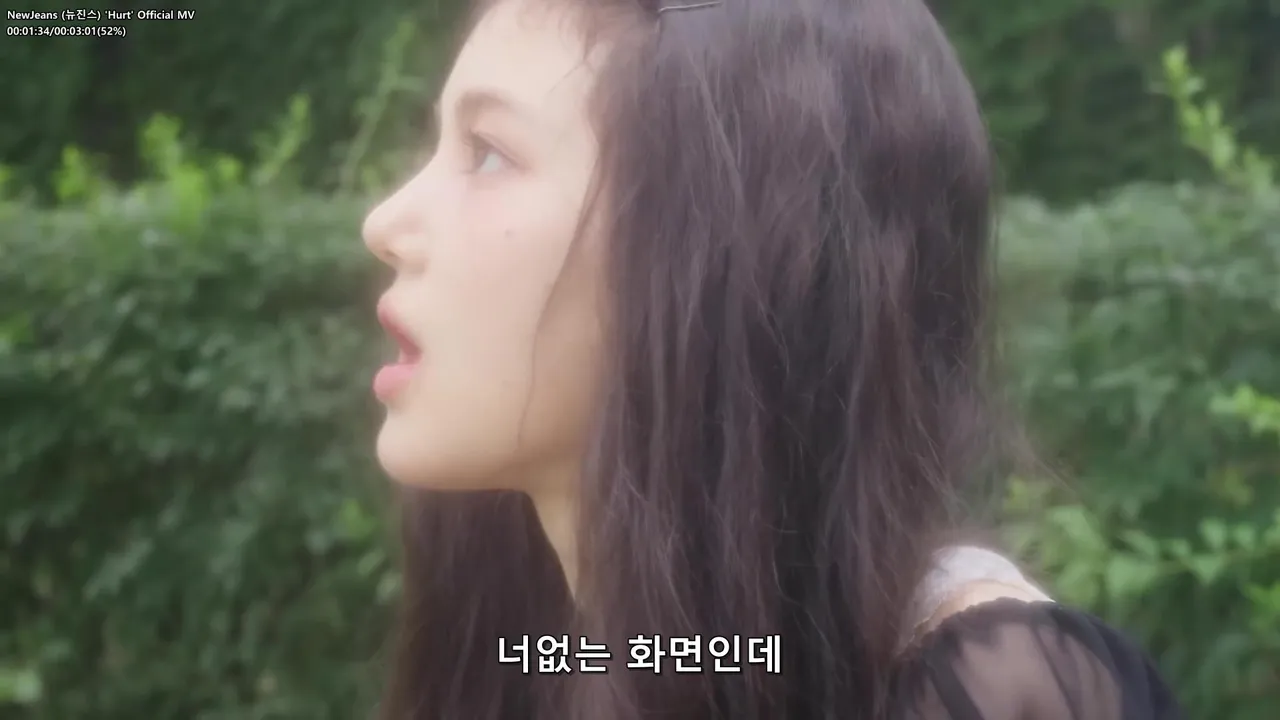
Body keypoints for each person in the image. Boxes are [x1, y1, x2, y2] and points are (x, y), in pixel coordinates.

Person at [360, 0, 1185, 717]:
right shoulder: (550, 648)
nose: (385, 223)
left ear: (718, 249)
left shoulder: (989, 693)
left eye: (490, 153)